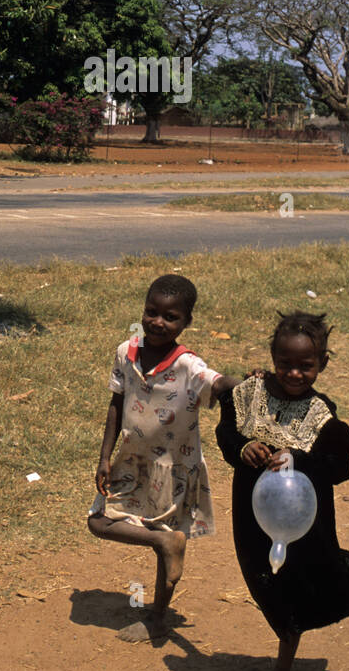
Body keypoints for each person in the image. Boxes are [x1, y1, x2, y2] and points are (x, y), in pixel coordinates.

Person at [216, 311, 349, 671]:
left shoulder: (322, 416)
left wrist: (298, 459)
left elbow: (341, 468)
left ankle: (283, 667)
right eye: (285, 364)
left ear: (322, 364)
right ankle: (286, 633)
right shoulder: (249, 394)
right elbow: (226, 434)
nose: (294, 374)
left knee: (293, 584)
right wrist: (242, 449)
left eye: (305, 366)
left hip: (304, 522)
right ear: (273, 358)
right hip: (251, 515)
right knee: (262, 579)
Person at [88, 274, 241, 643]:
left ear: (186, 322)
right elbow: (116, 403)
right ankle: (162, 545)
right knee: (99, 521)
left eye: (170, 317)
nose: (158, 322)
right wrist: (104, 457)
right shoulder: (126, 352)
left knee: (165, 534)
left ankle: (157, 617)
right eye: (151, 312)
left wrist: (246, 383)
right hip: (130, 461)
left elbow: (217, 383)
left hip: (174, 469)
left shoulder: (189, 365)